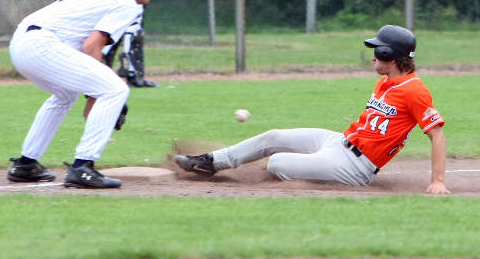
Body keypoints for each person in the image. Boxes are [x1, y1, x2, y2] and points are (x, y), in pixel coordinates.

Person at [175, 25, 451, 194]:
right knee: (274, 137)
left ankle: (283, 173)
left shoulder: (415, 90)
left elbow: (437, 135)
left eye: (378, 51)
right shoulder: (385, 82)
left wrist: (437, 181)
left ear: (391, 56)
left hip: (357, 166)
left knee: (277, 162)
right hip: (340, 142)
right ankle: (209, 161)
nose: (373, 55)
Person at [7, 0, 165, 189]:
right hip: (42, 44)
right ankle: (83, 167)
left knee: (65, 95)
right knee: (115, 90)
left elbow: (89, 49)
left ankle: (25, 164)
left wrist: (92, 92)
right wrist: (94, 96)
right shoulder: (127, 3)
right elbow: (91, 46)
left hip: (22, 42)